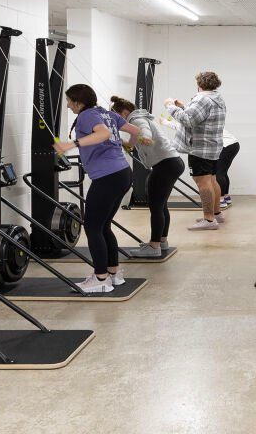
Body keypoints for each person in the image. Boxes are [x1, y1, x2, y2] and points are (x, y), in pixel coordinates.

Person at [54, 84, 132, 293]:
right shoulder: (105, 112)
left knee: (93, 227)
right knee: (103, 225)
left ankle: (100, 278)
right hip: (122, 172)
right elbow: (135, 130)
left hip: (108, 177)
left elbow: (103, 134)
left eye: (70, 101)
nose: (69, 105)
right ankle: (113, 274)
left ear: (78, 102)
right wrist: (130, 145)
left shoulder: (87, 115)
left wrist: (71, 145)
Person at [111, 95, 184, 254]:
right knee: (161, 204)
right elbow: (130, 145)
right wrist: (115, 140)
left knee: (156, 206)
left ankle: (154, 246)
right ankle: (161, 242)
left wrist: (146, 138)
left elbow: (144, 132)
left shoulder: (136, 120)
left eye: (116, 116)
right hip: (171, 163)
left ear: (124, 113)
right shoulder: (136, 120)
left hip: (165, 164)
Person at [166, 71, 227, 230]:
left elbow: (187, 120)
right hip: (212, 147)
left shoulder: (201, 99)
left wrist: (170, 107)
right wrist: (183, 107)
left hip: (200, 148)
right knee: (212, 180)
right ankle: (216, 214)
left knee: (203, 183)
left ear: (199, 84)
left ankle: (208, 220)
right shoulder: (217, 98)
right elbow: (200, 117)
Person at [217, 127, 240, 211]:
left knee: (218, 172)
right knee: (223, 172)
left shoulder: (200, 122)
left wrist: (172, 121)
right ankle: (226, 198)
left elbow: (180, 126)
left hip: (227, 145)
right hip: (234, 144)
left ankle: (221, 200)